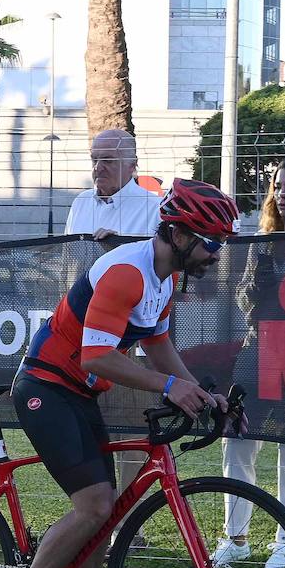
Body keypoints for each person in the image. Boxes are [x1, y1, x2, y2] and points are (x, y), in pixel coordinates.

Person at [0, 179, 238, 568]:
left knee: (103, 516)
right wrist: (169, 387)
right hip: (46, 386)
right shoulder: (128, 272)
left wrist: (199, 391)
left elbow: (158, 347)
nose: (215, 255)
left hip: (80, 393)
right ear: (178, 233)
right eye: (210, 243)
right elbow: (98, 355)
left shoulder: (165, 279)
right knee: (95, 505)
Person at [213, 157, 285, 568]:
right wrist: (256, 290)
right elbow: (244, 300)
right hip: (258, 348)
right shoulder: (263, 241)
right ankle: (235, 537)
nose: (283, 194)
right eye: (278, 186)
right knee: (238, 441)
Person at [64, 129, 164, 507]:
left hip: (131, 336)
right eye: (94, 159)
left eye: (107, 160)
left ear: (132, 165)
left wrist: (118, 244)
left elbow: (154, 266)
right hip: (85, 329)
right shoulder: (79, 204)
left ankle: (127, 515)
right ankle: (93, 508)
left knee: (131, 424)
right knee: (91, 425)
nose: (98, 168)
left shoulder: (152, 207)